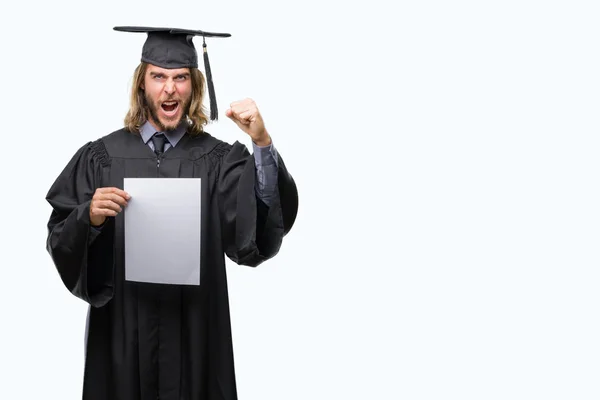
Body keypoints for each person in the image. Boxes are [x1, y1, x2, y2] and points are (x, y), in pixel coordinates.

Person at [45, 26, 298, 400]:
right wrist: (89, 217)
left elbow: (256, 228)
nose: (169, 88)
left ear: (194, 86)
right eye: (158, 76)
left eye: (180, 77)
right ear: (141, 84)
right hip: (121, 334)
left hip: (195, 331)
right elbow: (61, 235)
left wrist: (261, 144)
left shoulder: (219, 160)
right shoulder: (101, 157)